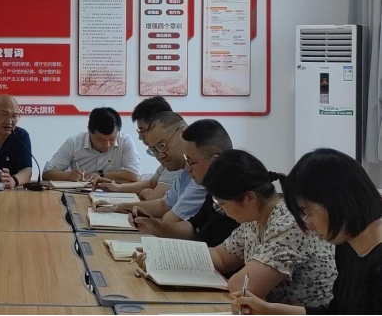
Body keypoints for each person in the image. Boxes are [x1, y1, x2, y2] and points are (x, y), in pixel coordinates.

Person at [233, 149, 382, 315]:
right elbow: (337, 311)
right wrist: (269, 310)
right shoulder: (347, 247)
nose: (307, 223)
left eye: (306, 211)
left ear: (336, 201)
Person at [203, 150, 336, 307]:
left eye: (222, 204)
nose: (222, 211)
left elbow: (243, 287)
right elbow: (221, 257)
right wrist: (180, 255)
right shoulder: (255, 218)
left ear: (249, 198)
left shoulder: (289, 224)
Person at [130, 119, 239, 247]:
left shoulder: (238, 200)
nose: (187, 168)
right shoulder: (214, 191)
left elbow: (221, 255)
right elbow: (192, 227)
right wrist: (156, 227)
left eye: (191, 162)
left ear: (214, 161)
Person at [102, 112, 206, 225]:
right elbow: (163, 205)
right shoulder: (184, 171)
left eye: (162, 146)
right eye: (154, 150)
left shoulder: (200, 173)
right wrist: (118, 207)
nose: (160, 156)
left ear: (182, 132)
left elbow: (169, 219)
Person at [99, 97, 178, 200]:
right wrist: (116, 187)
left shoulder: (175, 156)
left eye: (143, 130)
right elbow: (151, 183)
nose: (140, 137)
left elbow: (156, 199)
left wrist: (148, 194)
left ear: (160, 125)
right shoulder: (167, 153)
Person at [42, 107, 141, 184]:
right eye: (101, 140)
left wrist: (101, 175)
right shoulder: (74, 143)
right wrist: (68, 176)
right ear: (89, 131)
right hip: (78, 193)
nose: (107, 145)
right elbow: (47, 172)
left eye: (112, 139)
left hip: (114, 193)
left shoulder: (125, 141)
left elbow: (134, 174)